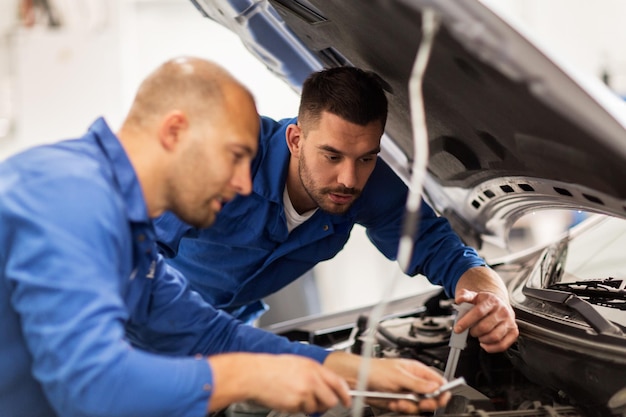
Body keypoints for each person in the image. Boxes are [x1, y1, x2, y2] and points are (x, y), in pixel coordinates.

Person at [0, 57, 450, 417]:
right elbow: (92, 387)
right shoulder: (68, 195)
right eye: (235, 156)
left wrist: (360, 371)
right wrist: (244, 379)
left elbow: (211, 335)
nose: (241, 183)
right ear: (175, 131)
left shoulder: (126, 227)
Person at [155, 66, 519, 353]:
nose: (349, 179)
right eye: (332, 156)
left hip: (228, 330)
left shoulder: (371, 185)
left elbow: (444, 251)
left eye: (365, 158)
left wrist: (494, 299)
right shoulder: (225, 158)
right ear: (296, 140)